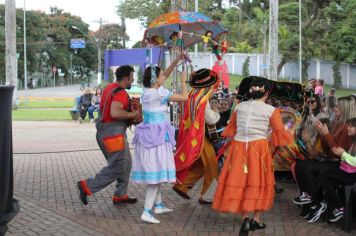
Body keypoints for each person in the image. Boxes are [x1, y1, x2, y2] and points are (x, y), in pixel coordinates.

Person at [212, 77, 292, 234]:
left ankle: (246, 220)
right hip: (259, 149)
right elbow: (279, 134)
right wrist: (288, 132)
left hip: (239, 147)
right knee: (259, 181)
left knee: (241, 181)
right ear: (267, 93)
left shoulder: (240, 107)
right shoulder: (271, 110)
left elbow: (231, 129)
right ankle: (256, 218)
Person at [132, 56, 188, 224]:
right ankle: (147, 211)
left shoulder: (148, 91)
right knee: (156, 176)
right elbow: (185, 97)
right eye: (162, 75)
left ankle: (158, 205)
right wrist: (184, 81)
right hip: (156, 139)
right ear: (156, 79)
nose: (165, 76)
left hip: (149, 136)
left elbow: (163, 75)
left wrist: (177, 60)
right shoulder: (160, 93)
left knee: (156, 172)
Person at [77, 65, 140, 206]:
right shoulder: (120, 93)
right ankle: (87, 186)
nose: (133, 80)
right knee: (118, 166)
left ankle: (120, 195)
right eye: (131, 77)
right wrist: (132, 114)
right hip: (113, 134)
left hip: (106, 131)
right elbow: (115, 113)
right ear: (125, 78)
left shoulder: (110, 87)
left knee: (126, 163)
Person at [173, 69, 221, 205]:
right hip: (201, 138)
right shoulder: (202, 101)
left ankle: (182, 186)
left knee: (200, 164)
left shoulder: (192, 96)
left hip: (192, 136)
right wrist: (217, 112)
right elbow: (211, 119)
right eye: (212, 86)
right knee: (211, 164)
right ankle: (207, 196)